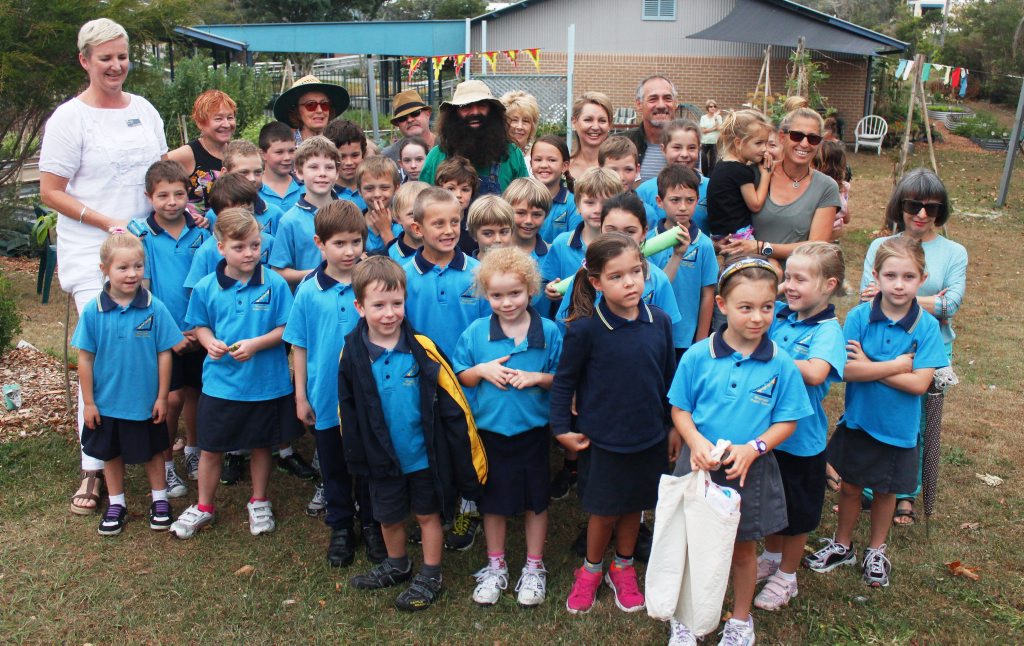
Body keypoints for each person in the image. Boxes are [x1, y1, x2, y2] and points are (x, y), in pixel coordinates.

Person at [39, 18, 169, 515]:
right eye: (106, 58)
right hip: (92, 252)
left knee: (147, 350)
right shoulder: (69, 119)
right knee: (101, 354)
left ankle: (155, 455)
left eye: (122, 56)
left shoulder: (144, 110)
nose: (116, 66)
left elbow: (159, 174)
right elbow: (51, 191)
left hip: (144, 251)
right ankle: (93, 468)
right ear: (85, 61)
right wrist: (107, 223)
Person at [668, 257, 812, 646]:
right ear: (722, 305)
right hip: (697, 467)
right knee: (689, 545)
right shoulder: (698, 355)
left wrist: (755, 447)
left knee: (742, 549)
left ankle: (740, 620)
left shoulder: (781, 363)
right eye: (745, 307)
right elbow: (680, 408)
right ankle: (685, 618)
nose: (757, 318)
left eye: (766, 307)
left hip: (746, 471)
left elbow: (788, 420)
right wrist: (695, 441)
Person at [340, 256, 486, 612]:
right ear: (359, 307)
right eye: (378, 305)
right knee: (388, 516)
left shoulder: (423, 349)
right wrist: (357, 455)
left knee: (427, 515)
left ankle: (432, 573)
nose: (389, 313)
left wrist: (469, 456)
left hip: (423, 456)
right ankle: (398, 564)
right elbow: (348, 408)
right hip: (382, 457)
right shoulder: (353, 354)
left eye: (396, 303)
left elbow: (455, 403)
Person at [805, 236, 948, 588]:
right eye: (891, 275)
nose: (899, 285)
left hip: (899, 429)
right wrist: (896, 365)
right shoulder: (859, 317)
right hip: (859, 421)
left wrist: (870, 364)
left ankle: (876, 550)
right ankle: (842, 545)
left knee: (886, 493)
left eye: (909, 277)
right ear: (876, 276)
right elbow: (846, 370)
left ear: (923, 278)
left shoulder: (927, 326)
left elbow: (919, 384)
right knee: (850, 487)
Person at [551, 233, 678, 615]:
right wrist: (561, 429)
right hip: (603, 440)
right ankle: (590, 569)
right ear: (596, 282)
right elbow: (565, 382)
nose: (630, 283)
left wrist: (674, 427)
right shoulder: (585, 329)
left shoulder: (660, 322)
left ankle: (622, 567)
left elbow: (669, 381)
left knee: (635, 507)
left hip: (649, 437)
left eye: (636, 272)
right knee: (604, 511)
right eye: (617, 276)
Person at [170, 208, 301, 539]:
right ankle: (204, 505)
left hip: (266, 385)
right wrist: (208, 341)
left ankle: (259, 500)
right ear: (221, 248)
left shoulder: (274, 283)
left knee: (261, 445)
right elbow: (199, 325)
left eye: (255, 245)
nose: (249, 253)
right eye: (239, 247)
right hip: (221, 385)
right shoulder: (205, 287)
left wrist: (256, 344)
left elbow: (287, 328)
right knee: (211, 447)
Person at [454, 247, 563, 607]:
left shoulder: (548, 332)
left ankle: (533, 566)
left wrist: (536, 378)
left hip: (533, 433)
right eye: (496, 295)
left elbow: (562, 378)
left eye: (514, 293)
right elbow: (461, 375)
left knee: (536, 502)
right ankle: (495, 564)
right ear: (485, 294)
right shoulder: (476, 333)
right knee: (493, 503)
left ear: (531, 290)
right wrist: (482, 370)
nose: (506, 303)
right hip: (490, 434)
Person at [858, 169, 967, 525]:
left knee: (918, 424)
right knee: (875, 417)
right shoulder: (880, 247)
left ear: (941, 210)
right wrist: (929, 300)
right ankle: (870, 487)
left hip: (930, 352)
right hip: (882, 346)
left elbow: (951, 304)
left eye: (931, 207)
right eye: (913, 205)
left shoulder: (954, 252)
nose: (921, 214)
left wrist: (898, 297)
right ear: (899, 205)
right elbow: (866, 297)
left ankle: (906, 492)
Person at [283, 200, 385, 567]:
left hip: (370, 394)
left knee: (371, 462)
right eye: (339, 243)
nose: (349, 251)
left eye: (356, 242)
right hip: (326, 396)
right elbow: (299, 344)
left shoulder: (372, 283)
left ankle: (373, 524)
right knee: (334, 464)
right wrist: (300, 396)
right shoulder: (309, 289)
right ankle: (341, 525)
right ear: (320, 243)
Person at [754, 242, 847, 611]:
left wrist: (771, 354)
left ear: (829, 285)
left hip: (801, 441)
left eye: (800, 280)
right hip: (768, 434)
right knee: (772, 504)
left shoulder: (828, 330)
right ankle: (771, 556)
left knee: (797, 512)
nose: (790, 286)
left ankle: (787, 575)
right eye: (787, 277)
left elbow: (816, 371)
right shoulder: (780, 314)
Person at [72, 232, 183, 536]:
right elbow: (85, 359)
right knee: (111, 454)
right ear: (104, 269)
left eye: (138, 266)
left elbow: (164, 354)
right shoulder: (93, 310)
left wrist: (162, 397)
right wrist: (89, 402)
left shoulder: (154, 308)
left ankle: (160, 500)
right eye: (123, 267)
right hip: (107, 403)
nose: (132, 274)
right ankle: (116, 503)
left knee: (154, 451)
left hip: (145, 402)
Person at [130, 161, 211, 497]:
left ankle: (193, 450)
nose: (172, 202)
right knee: (171, 397)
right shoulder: (142, 235)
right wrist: (169, 334)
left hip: (198, 329)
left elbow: (209, 283)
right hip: (163, 334)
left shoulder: (202, 232)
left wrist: (200, 329)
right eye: (163, 195)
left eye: (179, 194)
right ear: (149, 197)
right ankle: (165, 464)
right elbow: (143, 291)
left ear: (188, 194)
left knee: (196, 393)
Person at [719, 108, 841, 265]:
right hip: (748, 274)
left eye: (813, 138)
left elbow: (816, 248)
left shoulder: (826, 187)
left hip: (797, 277)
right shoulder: (752, 175)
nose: (804, 144)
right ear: (782, 137)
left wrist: (761, 247)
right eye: (797, 136)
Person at [401, 187, 490, 358]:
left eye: (454, 222)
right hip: (422, 371)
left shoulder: (480, 272)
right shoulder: (403, 277)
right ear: (418, 229)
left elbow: (489, 328)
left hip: (471, 371)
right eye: (439, 224)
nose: (449, 230)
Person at [648, 165, 718, 360]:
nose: (683, 207)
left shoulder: (704, 244)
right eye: (675, 200)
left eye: (690, 200)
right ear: (659, 201)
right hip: (651, 335)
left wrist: (701, 342)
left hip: (687, 340)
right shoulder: (648, 242)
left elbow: (708, 294)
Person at [419, 80, 528, 192]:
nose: (475, 112)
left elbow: (526, 199)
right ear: (454, 114)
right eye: (466, 106)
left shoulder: (512, 155)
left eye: (482, 105)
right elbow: (423, 200)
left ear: (492, 111)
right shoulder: (437, 157)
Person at [270, 136, 341, 287]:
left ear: (337, 173)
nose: (322, 173)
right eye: (314, 167)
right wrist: (319, 273)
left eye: (329, 167)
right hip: (308, 297)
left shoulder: (349, 213)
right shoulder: (289, 221)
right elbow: (278, 272)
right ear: (299, 172)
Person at [706, 109, 774, 242]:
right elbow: (755, 205)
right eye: (758, 143)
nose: (765, 148)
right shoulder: (740, 171)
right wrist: (766, 175)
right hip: (739, 236)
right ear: (738, 143)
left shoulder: (721, 164)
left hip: (719, 235)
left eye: (766, 143)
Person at [167, 90, 236, 212]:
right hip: (198, 224)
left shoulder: (237, 153)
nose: (226, 124)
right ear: (200, 123)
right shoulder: (188, 154)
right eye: (218, 119)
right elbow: (155, 175)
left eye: (230, 118)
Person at [636, 119, 710, 233]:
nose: (684, 154)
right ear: (663, 149)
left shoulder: (711, 187)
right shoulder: (645, 190)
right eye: (677, 147)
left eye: (691, 148)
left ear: (699, 149)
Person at [624, 76, 678, 181]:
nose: (661, 105)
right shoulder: (622, 144)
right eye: (653, 99)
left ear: (675, 103)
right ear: (639, 104)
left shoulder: (691, 149)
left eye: (667, 98)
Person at [273, 75, 350, 145]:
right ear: (297, 112)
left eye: (324, 104)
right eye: (310, 105)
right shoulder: (287, 147)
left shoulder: (340, 143)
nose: (319, 110)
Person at [531, 135, 580, 243]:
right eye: (538, 160)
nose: (544, 165)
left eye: (552, 160)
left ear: (564, 166)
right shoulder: (521, 200)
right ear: (531, 163)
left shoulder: (574, 205)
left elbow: (574, 245)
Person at [435, 155, 481, 255]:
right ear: (439, 189)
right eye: (451, 189)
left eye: (465, 190)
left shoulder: (478, 224)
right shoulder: (431, 224)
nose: (458, 195)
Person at [357, 156, 403, 254]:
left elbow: (401, 260)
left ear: (396, 188)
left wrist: (385, 231)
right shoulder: (352, 224)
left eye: (384, 187)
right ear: (359, 191)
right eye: (369, 189)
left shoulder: (404, 224)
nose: (377, 194)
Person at [258, 121, 302, 213]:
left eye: (291, 151)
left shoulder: (306, 188)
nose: (287, 157)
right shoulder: (253, 190)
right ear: (263, 154)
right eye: (279, 152)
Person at [568, 92, 613, 180]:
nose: (595, 127)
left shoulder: (620, 166)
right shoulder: (563, 167)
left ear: (609, 124)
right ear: (574, 122)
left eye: (602, 120)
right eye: (588, 120)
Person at [381, 89, 436, 161]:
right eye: (402, 118)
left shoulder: (447, 147)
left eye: (415, 113)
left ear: (427, 114)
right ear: (398, 124)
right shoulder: (387, 157)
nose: (410, 120)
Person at [385, 181, 430, 263]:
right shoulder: (390, 254)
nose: (420, 220)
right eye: (412, 214)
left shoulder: (444, 247)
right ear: (397, 217)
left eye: (427, 213)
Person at [815, 141, 851, 240]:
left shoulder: (815, 188)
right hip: (833, 235)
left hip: (817, 237)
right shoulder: (843, 188)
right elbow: (847, 219)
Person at [501, 90, 540, 155]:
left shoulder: (538, 154)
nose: (520, 127)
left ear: (532, 126)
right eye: (514, 120)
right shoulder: (496, 153)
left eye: (525, 121)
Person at [699, 99, 724, 174]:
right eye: (711, 106)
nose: (713, 108)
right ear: (707, 108)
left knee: (713, 161)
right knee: (703, 159)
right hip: (704, 142)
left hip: (714, 142)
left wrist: (715, 118)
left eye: (714, 106)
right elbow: (703, 131)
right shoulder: (703, 117)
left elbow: (719, 128)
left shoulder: (718, 117)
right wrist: (714, 128)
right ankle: (705, 174)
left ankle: (710, 176)